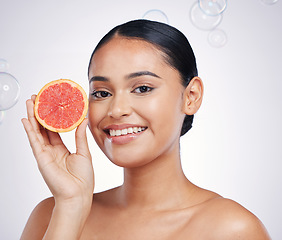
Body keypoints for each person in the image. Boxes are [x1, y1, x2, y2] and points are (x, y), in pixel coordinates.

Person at [21, 19, 270, 239]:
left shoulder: (232, 230)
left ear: (191, 96)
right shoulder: (51, 215)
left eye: (142, 88)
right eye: (102, 93)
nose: (116, 109)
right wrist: (71, 206)